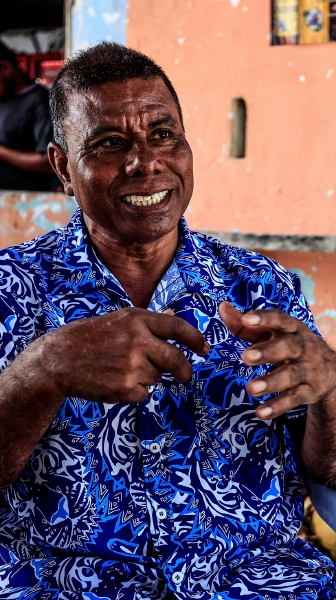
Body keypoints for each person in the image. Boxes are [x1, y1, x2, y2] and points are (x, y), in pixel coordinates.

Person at [0, 42, 335, 599]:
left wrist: (328, 391)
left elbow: (327, 475)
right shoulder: (11, 289)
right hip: (67, 586)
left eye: (163, 135)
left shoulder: (261, 286)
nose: (146, 162)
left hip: (259, 584)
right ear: (62, 166)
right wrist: (42, 373)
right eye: (110, 143)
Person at [0, 41, 53, 191]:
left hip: (27, 202)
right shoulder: (3, 100)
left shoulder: (40, 101)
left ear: (5, 67)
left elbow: (48, 163)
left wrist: (2, 152)